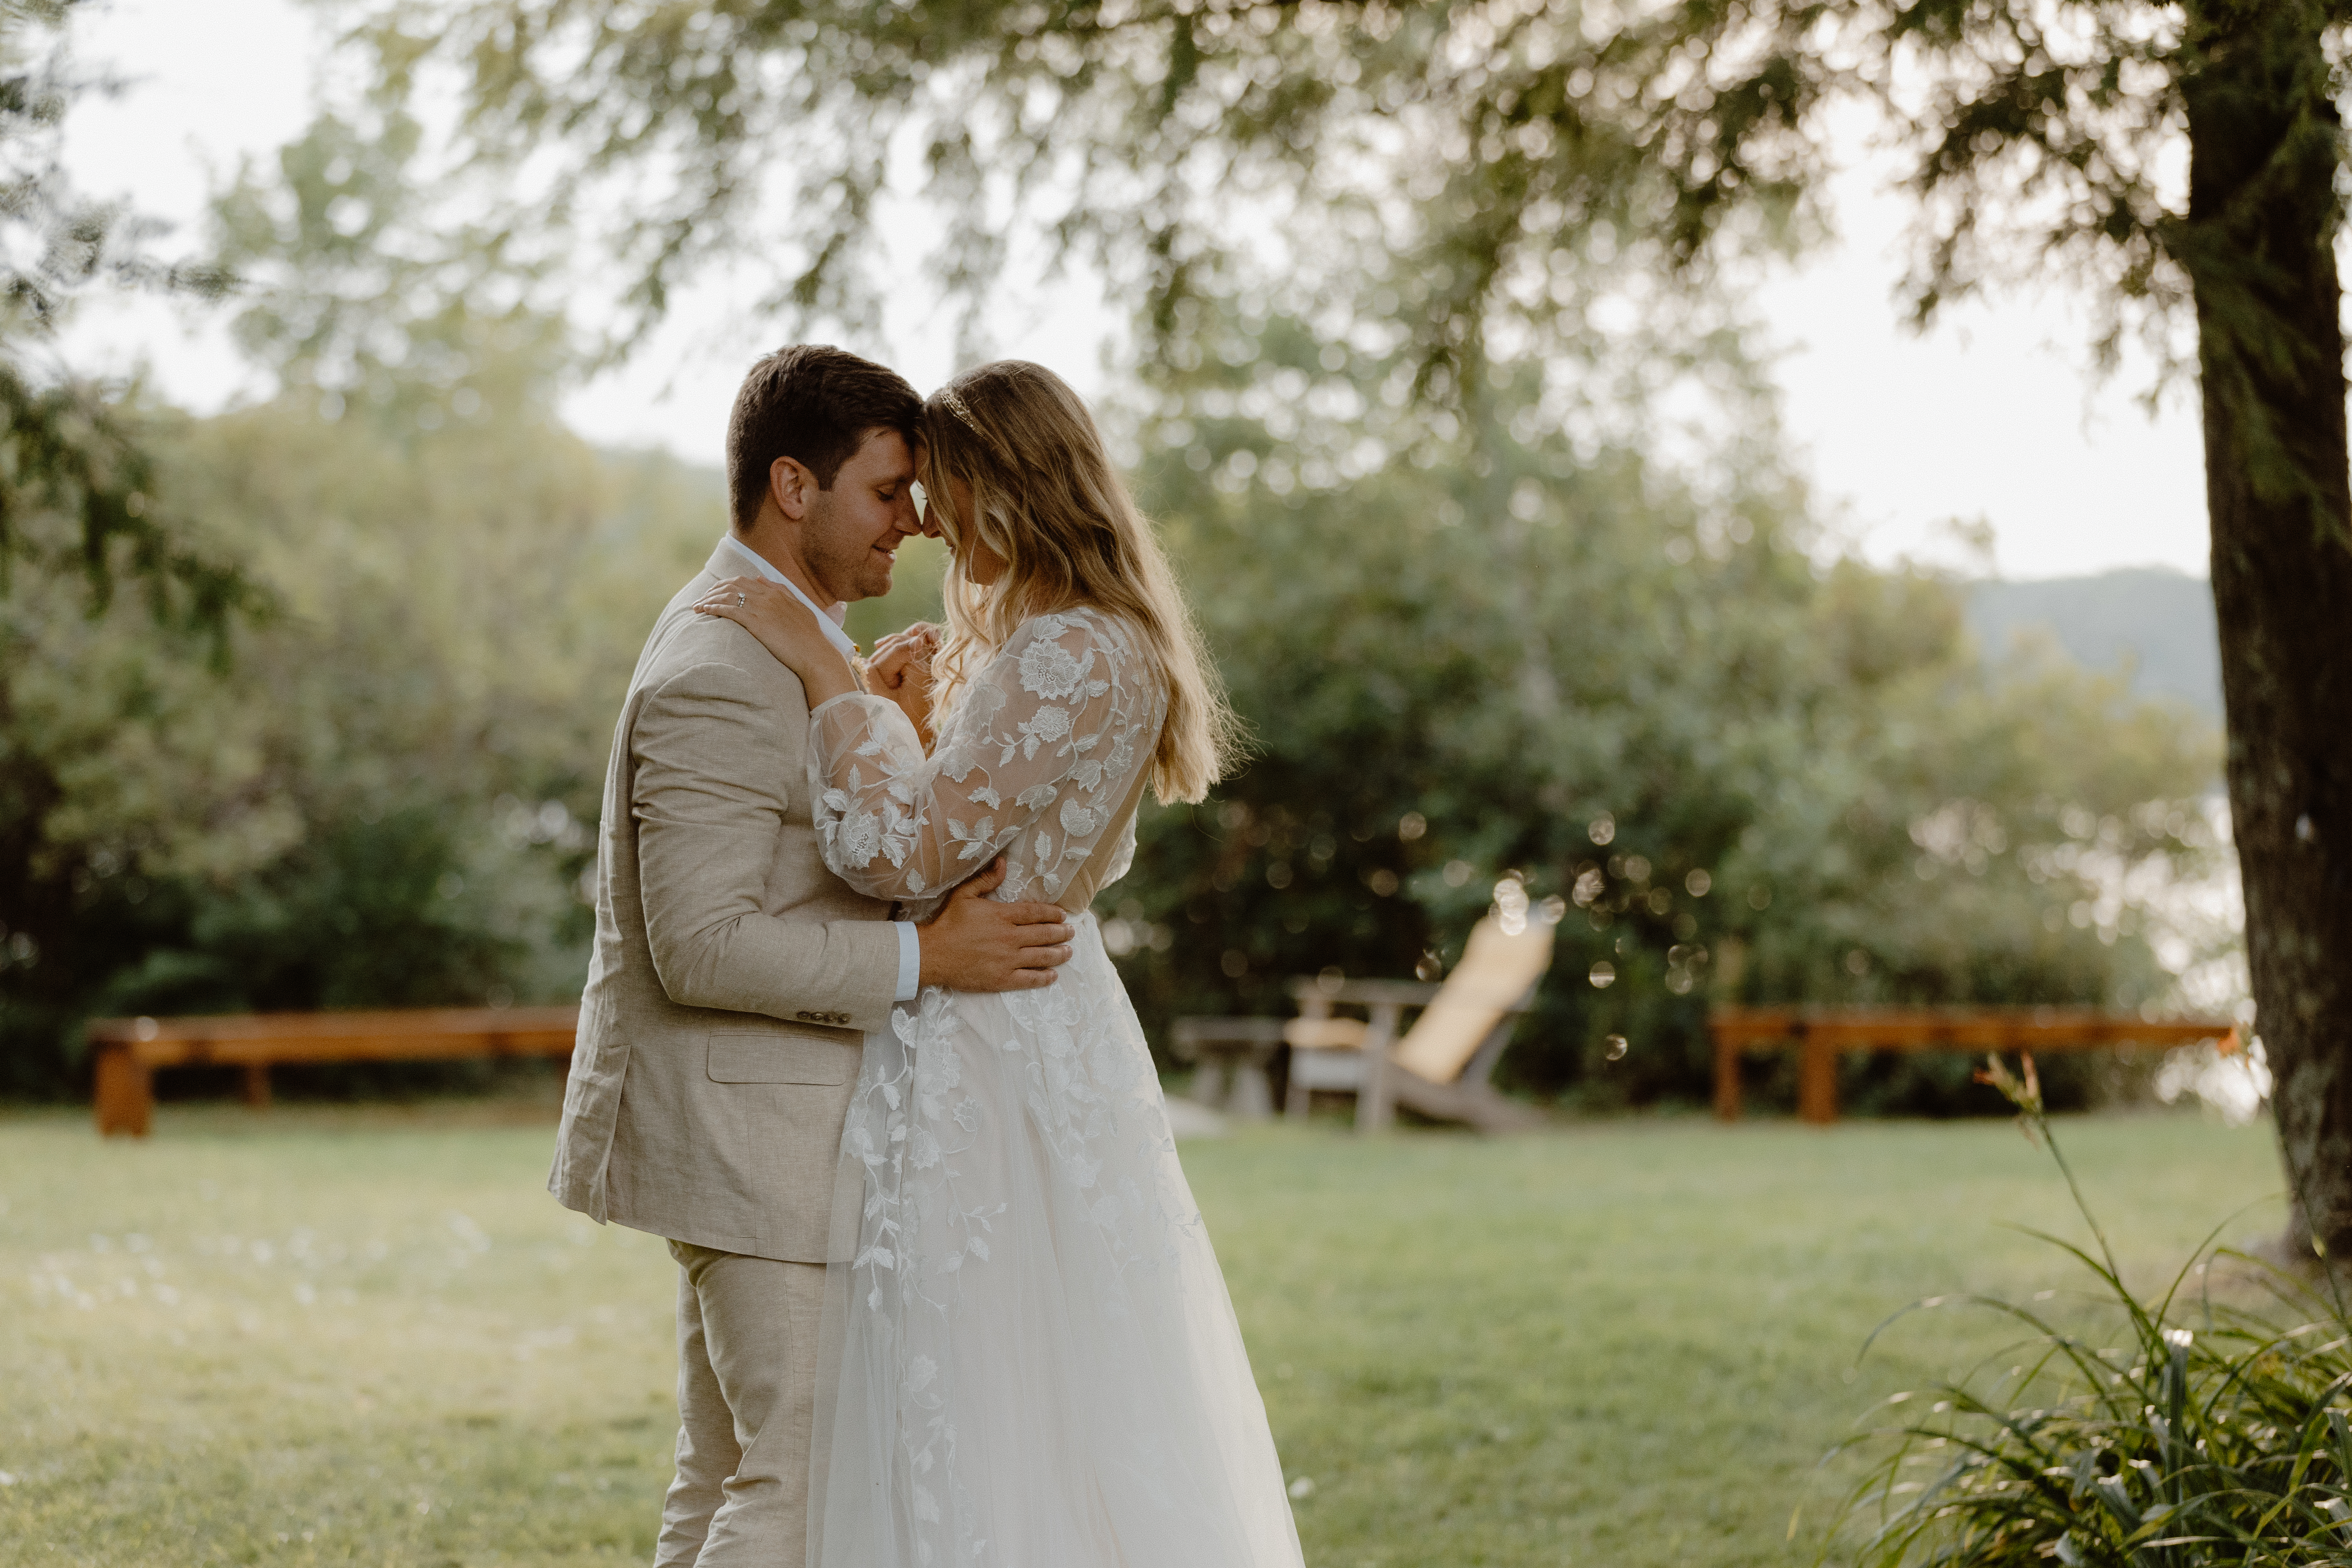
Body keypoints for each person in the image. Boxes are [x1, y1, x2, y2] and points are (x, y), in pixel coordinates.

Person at [693, 358, 1307, 1568]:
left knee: (968, 1381)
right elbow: (1008, 846)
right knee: (1061, 1377)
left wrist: (831, 682)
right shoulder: (1111, 643)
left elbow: (893, 854)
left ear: (1010, 485)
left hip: (982, 1028)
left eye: (945, 488)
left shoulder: (1063, 651)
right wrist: (912, 734)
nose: (926, 522)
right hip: (1048, 1010)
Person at [548, 344, 1080, 1568]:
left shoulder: (784, 644)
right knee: (794, 1498)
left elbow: (815, 854)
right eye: (890, 492)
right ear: (795, 486)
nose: (919, 524)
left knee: (728, 1481)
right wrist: (928, 963)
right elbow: (703, 945)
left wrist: (874, 725)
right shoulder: (724, 666)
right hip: (754, 1141)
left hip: (766, 1135)